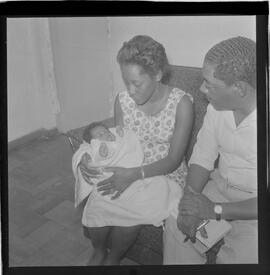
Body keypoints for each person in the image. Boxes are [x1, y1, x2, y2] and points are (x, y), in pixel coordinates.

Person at [78, 35, 194, 265]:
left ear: (158, 75)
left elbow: (173, 159)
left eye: (137, 84)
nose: (130, 91)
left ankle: (113, 258)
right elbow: (114, 141)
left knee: (131, 214)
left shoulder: (182, 104)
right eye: (126, 82)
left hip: (163, 173)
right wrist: (85, 157)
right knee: (98, 200)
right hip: (127, 163)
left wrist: (133, 175)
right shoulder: (122, 100)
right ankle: (99, 250)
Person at [163, 36, 257, 264]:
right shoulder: (218, 106)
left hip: (255, 207)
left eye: (209, 84)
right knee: (176, 227)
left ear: (239, 88)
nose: (202, 89)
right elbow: (203, 154)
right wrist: (190, 202)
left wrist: (214, 210)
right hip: (220, 186)